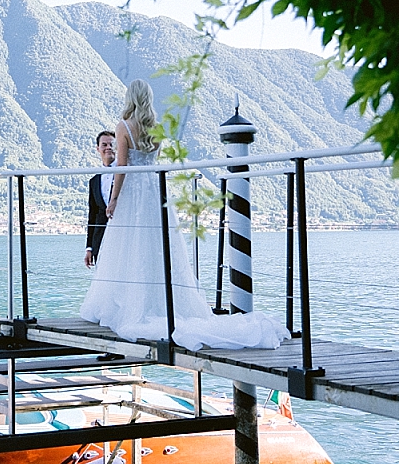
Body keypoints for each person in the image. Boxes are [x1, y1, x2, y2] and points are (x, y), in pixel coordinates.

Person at [79, 79, 290, 351]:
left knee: (129, 246)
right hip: (154, 192)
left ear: (129, 98)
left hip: (133, 192)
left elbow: (122, 167)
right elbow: (149, 162)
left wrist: (115, 198)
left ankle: (127, 303)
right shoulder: (156, 128)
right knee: (156, 246)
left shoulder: (123, 127)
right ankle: (164, 302)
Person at [85, 130, 116, 268]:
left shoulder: (128, 174)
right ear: (98, 149)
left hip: (123, 233)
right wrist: (89, 248)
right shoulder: (94, 181)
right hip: (101, 239)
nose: (108, 147)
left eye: (112, 144)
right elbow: (93, 215)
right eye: (104, 145)